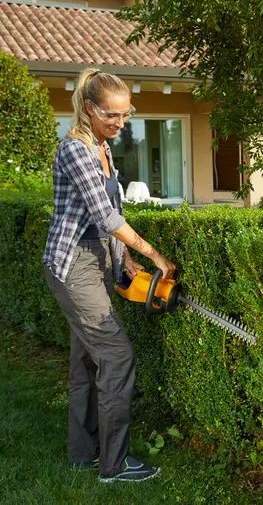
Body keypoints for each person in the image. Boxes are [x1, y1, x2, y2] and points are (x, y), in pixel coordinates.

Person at [42, 68, 176, 483]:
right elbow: (104, 215)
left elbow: (105, 221)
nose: (120, 123)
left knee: (86, 360)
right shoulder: (76, 150)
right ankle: (113, 466)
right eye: (111, 115)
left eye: (125, 114)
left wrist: (123, 260)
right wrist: (152, 252)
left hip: (96, 260)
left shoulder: (102, 147)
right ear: (88, 108)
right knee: (117, 357)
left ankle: (84, 454)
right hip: (73, 265)